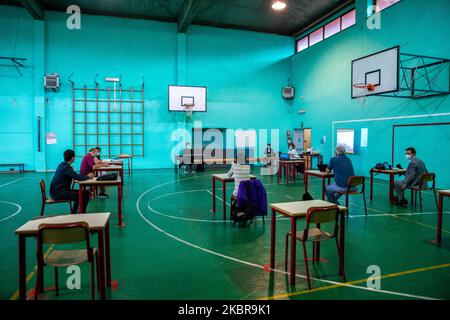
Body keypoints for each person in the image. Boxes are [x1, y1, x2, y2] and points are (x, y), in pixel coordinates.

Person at [50, 149, 92, 214]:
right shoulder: (66, 168)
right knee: (84, 195)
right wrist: (88, 176)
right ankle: (81, 213)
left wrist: (85, 176)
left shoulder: (63, 164)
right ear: (72, 158)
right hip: (58, 193)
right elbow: (78, 177)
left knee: (85, 193)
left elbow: (75, 176)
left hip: (58, 191)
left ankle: (75, 213)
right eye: (74, 156)